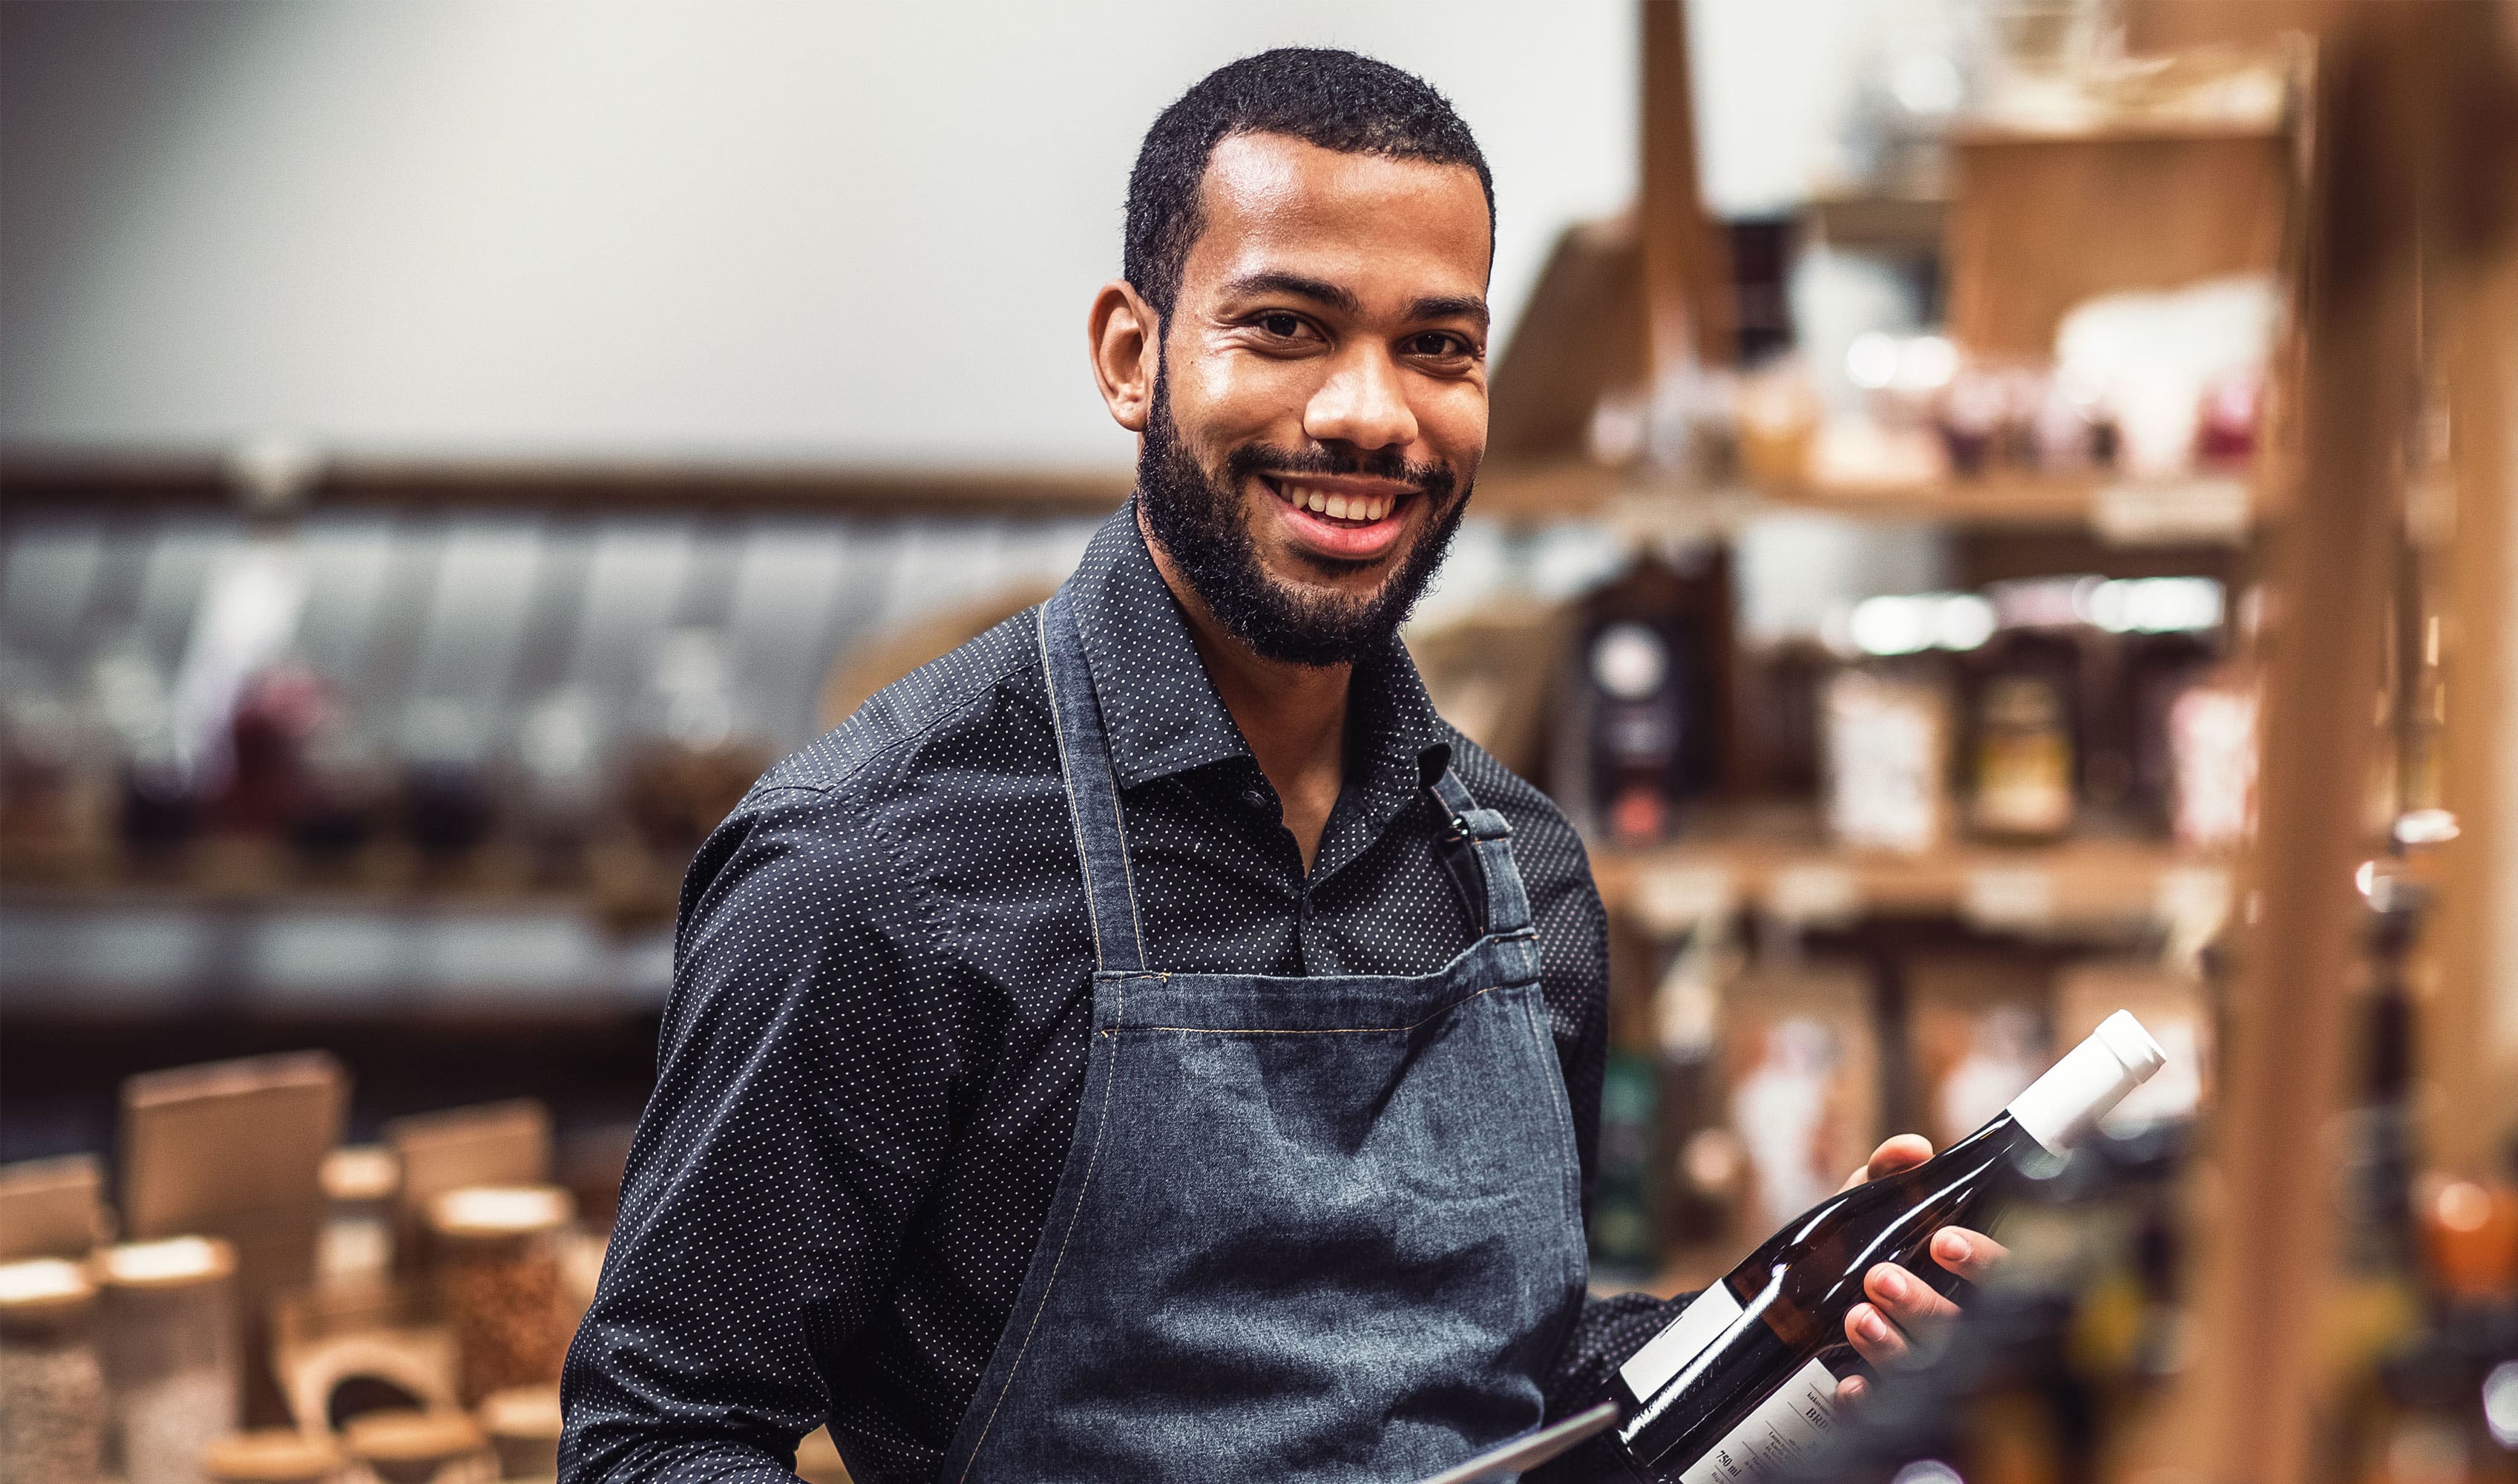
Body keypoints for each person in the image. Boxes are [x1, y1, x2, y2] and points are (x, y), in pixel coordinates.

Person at [560, 47, 1998, 1484]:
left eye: (1437, 346)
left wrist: (1771, 1323)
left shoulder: (1520, 871)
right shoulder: (873, 868)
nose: (1370, 413)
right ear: (1133, 356)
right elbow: (660, 1436)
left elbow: (1483, 1374)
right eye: (1288, 327)